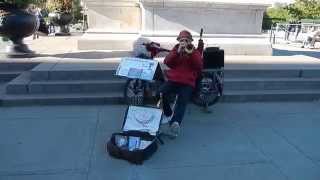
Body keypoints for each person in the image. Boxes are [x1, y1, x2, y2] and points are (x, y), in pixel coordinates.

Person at [159, 30, 204, 138]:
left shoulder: (194, 51)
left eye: (186, 40)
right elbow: (167, 62)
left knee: (182, 102)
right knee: (161, 92)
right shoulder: (176, 49)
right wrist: (177, 52)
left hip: (188, 82)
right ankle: (168, 113)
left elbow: (199, 65)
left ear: (190, 41)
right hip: (174, 79)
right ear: (179, 41)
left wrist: (191, 53)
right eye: (182, 40)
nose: (184, 42)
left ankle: (176, 123)